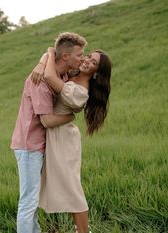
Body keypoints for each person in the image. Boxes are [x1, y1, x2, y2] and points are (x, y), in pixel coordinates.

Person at [10, 32, 87, 233]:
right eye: (79, 55)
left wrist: (44, 59)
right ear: (65, 57)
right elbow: (47, 120)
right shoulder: (40, 81)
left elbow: (52, 50)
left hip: (43, 145)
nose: (82, 58)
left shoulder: (60, 74)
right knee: (28, 200)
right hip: (29, 147)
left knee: (33, 199)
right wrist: (71, 117)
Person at [32, 47, 111, 233]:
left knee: (73, 190)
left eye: (93, 63)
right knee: (66, 188)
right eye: (89, 56)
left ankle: (83, 231)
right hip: (56, 135)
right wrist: (42, 60)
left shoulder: (81, 92)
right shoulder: (73, 74)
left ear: (96, 73)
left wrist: (50, 54)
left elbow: (50, 77)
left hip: (64, 141)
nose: (86, 61)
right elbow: (51, 59)